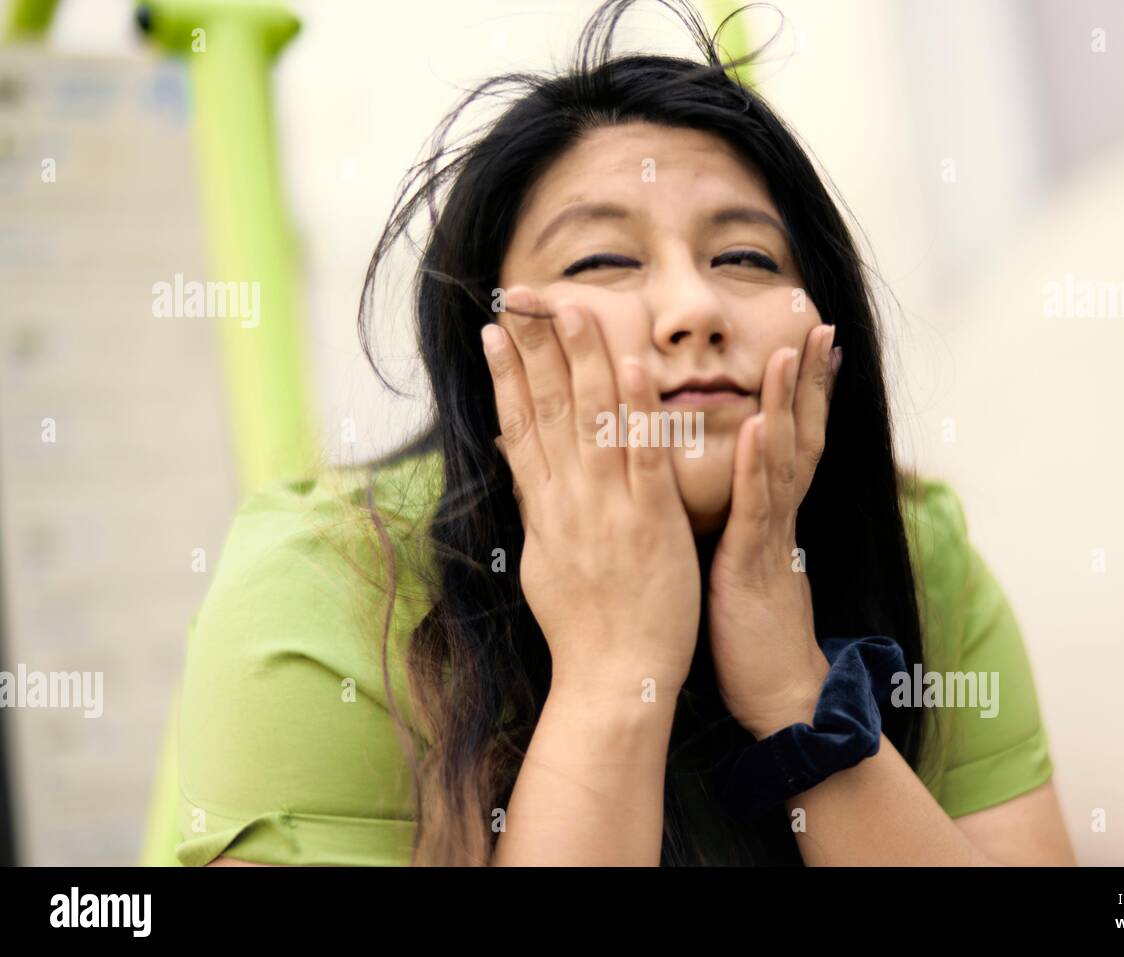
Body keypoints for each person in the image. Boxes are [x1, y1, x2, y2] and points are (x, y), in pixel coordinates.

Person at [169, 0, 1075, 866]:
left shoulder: (918, 555)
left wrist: (798, 693)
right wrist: (613, 669)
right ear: (491, 347)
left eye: (745, 258)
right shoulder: (330, 583)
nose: (692, 308)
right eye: (602, 259)